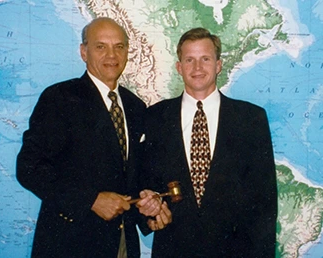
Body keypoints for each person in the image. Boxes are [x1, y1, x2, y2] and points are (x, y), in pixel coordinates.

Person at [16, 17, 166, 258]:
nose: (111, 55)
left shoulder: (135, 107)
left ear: (127, 52)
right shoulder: (60, 98)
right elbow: (29, 167)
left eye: (119, 46)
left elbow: (132, 177)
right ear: (83, 52)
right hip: (69, 244)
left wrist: (148, 206)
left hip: (123, 244)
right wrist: (91, 200)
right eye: (100, 46)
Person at [143, 27, 278, 257]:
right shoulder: (155, 118)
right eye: (189, 60)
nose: (197, 68)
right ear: (179, 67)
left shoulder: (251, 119)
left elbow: (264, 204)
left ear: (218, 65)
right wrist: (149, 215)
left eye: (205, 59)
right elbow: (143, 182)